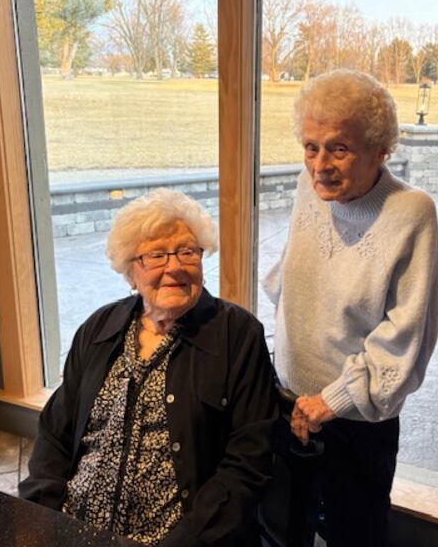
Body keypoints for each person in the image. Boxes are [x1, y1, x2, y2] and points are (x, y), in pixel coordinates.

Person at [20, 189, 277, 547]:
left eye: (187, 252)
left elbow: (247, 463)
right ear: (131, 273)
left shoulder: (238, 335)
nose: (175, 267)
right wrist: (45, 514)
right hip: (75, 526)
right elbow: (54, 432)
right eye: (156, 256)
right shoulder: (99, 328)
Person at [263, 69, 438, 546]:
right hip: (290, 401)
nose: (320, 165)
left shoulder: (412, 212)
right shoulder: (309, 186)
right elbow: (294, 277)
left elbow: (406, 335)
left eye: (338, 149)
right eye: (310, 147)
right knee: (285, 531)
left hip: (354, 420)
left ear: (380, 149)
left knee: (354, 537)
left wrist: (332, 401)